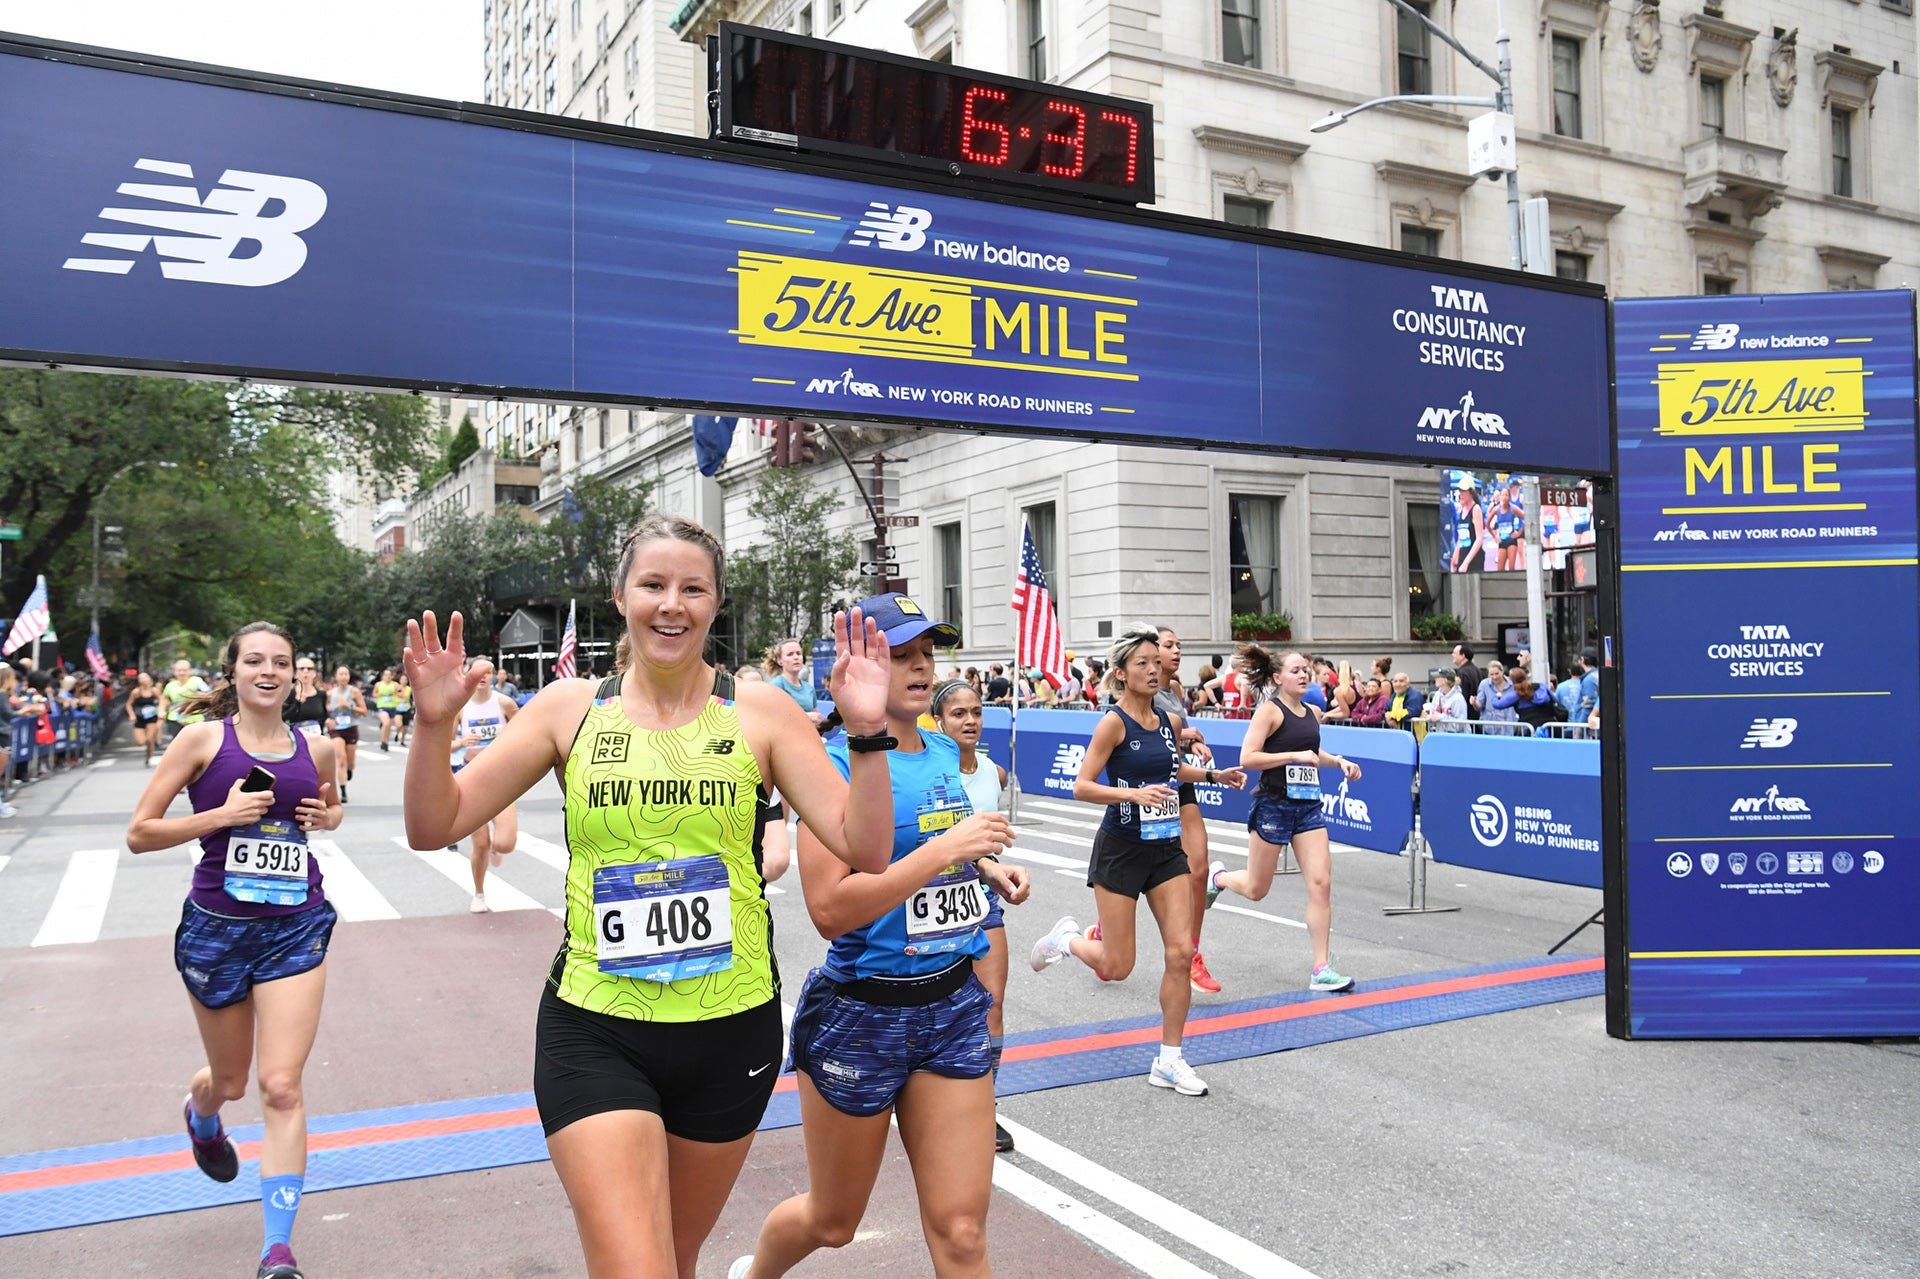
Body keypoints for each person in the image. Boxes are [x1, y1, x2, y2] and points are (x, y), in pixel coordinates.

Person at [400, 514, 896, 1279]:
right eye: (653, 584)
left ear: (716, 602)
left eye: (693, 588)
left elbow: (864, 847)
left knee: (676, 1256)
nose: (672, 604)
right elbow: (434, 824)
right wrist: (433, 726)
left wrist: (866, 734)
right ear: (620, 594)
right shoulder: (568, 708)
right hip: (597, 1025)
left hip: (731, 1030)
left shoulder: (760, 711)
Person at [730, 597, 1028, 1279]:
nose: (920, 667)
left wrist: (987, 867)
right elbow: (829, 909)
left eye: (927, 653)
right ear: (858, 668)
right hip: (863, 1011)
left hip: (953, 1004)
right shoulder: (833, 764)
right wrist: (946, 850)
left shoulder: (944, 752)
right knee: (833, 1222)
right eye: (900, 655)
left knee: (962, 1233)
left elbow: (938, 847)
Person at [126, 623, 343, 1279]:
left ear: (295, 675)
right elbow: (140, 832)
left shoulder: (318, 747)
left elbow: (333, 808)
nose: (268, 671)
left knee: (281, 1086)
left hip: (295, 926)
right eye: (255, 660)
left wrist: (325, 818)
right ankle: (201, 1117)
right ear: (234, 671)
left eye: (281, 662)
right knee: (229, 1082)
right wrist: (220, 816)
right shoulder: (200, 741)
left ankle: (277, 1250)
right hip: (217, 929)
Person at [1029, 625, 1248, 1096]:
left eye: (1155, 662)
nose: (1152, 670)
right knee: (1116, 966)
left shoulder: (1168, 721)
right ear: (1122, 673)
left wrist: (1214, 775)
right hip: (1122, 850)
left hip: (1165, 850)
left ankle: (1169, 1060)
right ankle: (1067, 940)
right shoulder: (1113, 723)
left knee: (1181, 953)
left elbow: (1172, 770)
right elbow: (1082, 786)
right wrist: (1132, 794)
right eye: (1141, 664)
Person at [1204, 646, 1361, 993]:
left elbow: (1312, 753)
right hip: (1273, 805)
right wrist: (1293, 756)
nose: (1303, 675)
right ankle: (1219, 878)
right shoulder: (1269, 712)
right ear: (1277, 677)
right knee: (1257, 889)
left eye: (1305, 669)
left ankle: (1321, 968)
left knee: (1321, 883)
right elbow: (1249, 757)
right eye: (1295, 670)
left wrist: (1339, 761)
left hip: (1307, 808)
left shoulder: (1312, 712)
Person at [931, 676, 1022, 1153]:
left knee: (992, 1003)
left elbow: (991, 843)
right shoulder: (928, 768)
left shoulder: (993, 773)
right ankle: (931, 1098)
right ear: (938, 721)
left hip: (979, 897)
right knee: (933, 1005)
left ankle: (986, 1108)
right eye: (958, 714)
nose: (969, 721)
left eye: (976, 712)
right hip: (927, 901)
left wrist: (1002, 871)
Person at [1153, 625, 1223, 996]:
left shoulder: (1176, 690)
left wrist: (1194, 743)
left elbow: (1182, 734)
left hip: (1180, 784)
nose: (1177, 650)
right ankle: (1104, 927)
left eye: (1179, 645)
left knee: (1199, 868)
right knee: (1137, 876)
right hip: (1146, 792)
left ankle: (1192, 954)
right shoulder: (1140, 690)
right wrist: (1187, 735)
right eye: (1169, 645)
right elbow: (1148, 731)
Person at [450, 668, 519, 913]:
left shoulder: (505, 703)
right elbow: (444, 744)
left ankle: (496, 849)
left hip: (501, 777)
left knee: (506, 843)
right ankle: (479, 894)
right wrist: (461, 742)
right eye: (477, 672)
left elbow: (525, 732)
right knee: (480, 843)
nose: (483, 676)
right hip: (471, 777)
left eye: (488, 672)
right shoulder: (460, 707)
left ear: (493, 676)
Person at [323, 666, 367, 804]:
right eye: (341, 674)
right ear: (336, 677)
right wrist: (328, 715)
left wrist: (349, 706)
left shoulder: (354, 692)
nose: (343, 676)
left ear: (349, 676)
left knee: (350, 762)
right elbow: (323, 711)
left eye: (346, 674)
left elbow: (364, 711)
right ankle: (343, 791)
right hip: (336, 729)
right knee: (340, 758)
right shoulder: (329, 694)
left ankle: (350, 769)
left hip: (351, 728)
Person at [764, 638, 826, 724]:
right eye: (790, 654)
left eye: (798, 653)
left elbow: (817, 717)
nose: (796, 657)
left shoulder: (809, 688)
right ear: (779, 661)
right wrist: (806, 716)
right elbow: (773, 717)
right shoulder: (776, 685)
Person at [161, 658, 210, 745]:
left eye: (184, 670)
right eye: (179, 670)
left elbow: (209, 693)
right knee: (179, 744)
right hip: (175, 718)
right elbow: (164, 698)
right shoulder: (170, 685)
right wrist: (161, 711)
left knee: (195, 744)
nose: (182, 673)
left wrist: (200, 696)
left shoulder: (197, 681)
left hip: (194, 718)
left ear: (189, 671)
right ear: (175, 672)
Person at [282, 660, 326, 743]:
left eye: (309, 669)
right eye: (302, 669)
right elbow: (283, 717)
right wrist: (297, 703)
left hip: (317, 739)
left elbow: (324, 716)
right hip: (295, 741)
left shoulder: (321, 694)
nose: (306, 671)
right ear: (295, 673)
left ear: (314, 673)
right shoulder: (288, 694)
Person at [1448, 476, 1486, 572]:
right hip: (1463, 554)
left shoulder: (1476, 509)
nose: (1461, 494)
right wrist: (1455, 556)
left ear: (1471, 492)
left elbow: (1479, 539)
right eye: (1460, 491)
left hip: (1474, 559)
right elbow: (1461, 537)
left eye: (1463, 491)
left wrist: (1466, 562)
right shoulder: (1462, 509)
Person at [127, 670, 164, 767]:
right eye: (141, 678)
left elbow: (162, 700)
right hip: (139, 718)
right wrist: (132, 715)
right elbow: (128, 704)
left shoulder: (154, 691)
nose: (144, 680)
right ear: (139, 681)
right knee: (140, 742)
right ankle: (149, 748)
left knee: (149, 739)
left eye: (145, 677)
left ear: (149, 679)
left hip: (152, 717)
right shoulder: (136, 692)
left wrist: (161, 710)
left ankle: (148, 758)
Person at [1476, 660, 1519, 726]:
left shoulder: (1512, 683)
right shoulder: (1484, 684)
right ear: (1488, 674)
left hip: (1510, 724)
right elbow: (1480, 705)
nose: (1494, 677)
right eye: (1491, 674)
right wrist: (1474, 703)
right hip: (1490, 726)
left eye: (1497, 673)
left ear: (1502, 671)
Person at [371, 667, 401, 752]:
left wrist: (396, 693)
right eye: (386, 675)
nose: (388, 676)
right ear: (383, 676)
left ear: (392, 676)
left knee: (388, 727)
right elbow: (374, 694)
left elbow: (401, 693)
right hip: (382, 707)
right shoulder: (378, 684)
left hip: (392, 707)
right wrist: (379, 694)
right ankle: (384, 742)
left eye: (389, 675)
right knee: (386, 723)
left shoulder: (395, 684)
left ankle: (385, 742)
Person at [1450, 644, 1483, 719]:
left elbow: (1461, 695)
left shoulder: (1462, 673)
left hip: (1466, 715)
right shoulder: (1478, 670)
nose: (1452, 655)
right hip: (1477, 714)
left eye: (1454, 653)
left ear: (1463, 655)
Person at [1577, 649, 1600, 722]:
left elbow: (1588, 706)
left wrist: (1579, 727)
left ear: (1582, 660)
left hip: (1588, 725)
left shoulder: (1589, 680)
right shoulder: (1598, 675)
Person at [393, 673, 414, 746]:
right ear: (399, 680)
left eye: (405, 679)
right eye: (402, 679)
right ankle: (397, 733)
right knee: (399, 724)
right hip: (398, 707)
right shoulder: (396, 687)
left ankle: (402, 741)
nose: (404, 681)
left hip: (406, 708)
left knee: (405, 727)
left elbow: (407, 697)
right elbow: (396, 694)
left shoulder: (409, 689)